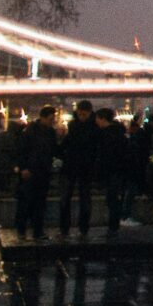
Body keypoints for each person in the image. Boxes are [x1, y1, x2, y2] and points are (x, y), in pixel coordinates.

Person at [10, 108, 58, 239]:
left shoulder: (42, 131)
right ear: (44, 117)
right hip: (32, 171)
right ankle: (25, 229)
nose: (52, 121)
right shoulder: (32, 131)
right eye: (51, 118)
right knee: (28, 202)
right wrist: (24, 168)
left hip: (40, 171)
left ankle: (35, 230)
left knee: (38, 203)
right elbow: (21, 150)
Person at [58, 101, 101, 236]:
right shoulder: (94, 127)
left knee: (69, 198)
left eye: (83, 113)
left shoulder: (74, 126)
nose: (81, 115)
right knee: (83, 198)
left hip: (74, 166)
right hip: (83, 167)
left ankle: (68, 229)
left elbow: (67, 143)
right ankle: (81, 229)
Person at [99, 113, 141, 232]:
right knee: (118, 197)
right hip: (122, 172)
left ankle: (117, 221)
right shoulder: (125, 139)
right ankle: (117, 222)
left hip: (113, 172)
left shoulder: (106, 137)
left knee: (113, 198)